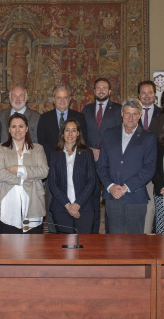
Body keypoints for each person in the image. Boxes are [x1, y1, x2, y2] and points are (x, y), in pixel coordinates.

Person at [98, 98, 156, 234]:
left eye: (135, 114)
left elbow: (149, 168)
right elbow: (102, 166)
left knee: (136, 242)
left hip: (136, 197)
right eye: (128, 113)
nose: (131, 117)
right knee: (115, 241)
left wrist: (126, 187)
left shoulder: (148, 137)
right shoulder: (108, 134)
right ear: (122, 113)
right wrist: (111, 186)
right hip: (112, 197)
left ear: (140, 115)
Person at [37, 85, 88, 233]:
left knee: (76, 196)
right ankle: (54, 233)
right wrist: (58, 160)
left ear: (70, 99)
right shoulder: (44, 118)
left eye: (65, 97)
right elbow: (42, 143)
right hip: (54, 167)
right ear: (53, 100)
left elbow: (84, 142)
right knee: (54, 201)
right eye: (59, 97)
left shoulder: (80, 117)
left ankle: (76, 230)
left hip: (76, 166)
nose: (62, 100)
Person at [0, 113, 49, 234]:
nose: (17, 130)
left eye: (21, 126)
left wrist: (19, 169)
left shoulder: (38, 149)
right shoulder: (1, 149)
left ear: (27, 128)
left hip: (33, 203)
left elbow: (44, 171)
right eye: (13, 126)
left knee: (33, 249)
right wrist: (23, 179)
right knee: (7, 249)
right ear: (9, 129)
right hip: (8, 204)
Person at [81, 78, 122, 233]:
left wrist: (104, 151)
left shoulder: (118, 109)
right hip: (91, 160)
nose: (101, 90)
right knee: (92, 199)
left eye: (104, 88)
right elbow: (82, 133)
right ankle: (93, 233)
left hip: (111, 161)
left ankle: (111, 233)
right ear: (94, 91)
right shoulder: (87, 109)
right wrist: (90, 149)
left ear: (110, 91)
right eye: (98, 88)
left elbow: (120, 134)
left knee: (111, 198)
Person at [48, 118, 96, 234]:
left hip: (84, 208)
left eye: (73, 130)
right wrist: (68, 206)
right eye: (67, 130)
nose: (70, 134)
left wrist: (77, 204)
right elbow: (53, 183)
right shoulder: (55, 154)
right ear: (62, 133)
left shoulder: (87, 153)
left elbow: (91, 181)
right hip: (61, 208)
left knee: (83, 246)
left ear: (78, 133)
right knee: (65, 248)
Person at [138, 80, 162, 234]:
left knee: (158, 208)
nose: (147, 96)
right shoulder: (131, 114)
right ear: (138, 95)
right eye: (143, 93)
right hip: (137, 170)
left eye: (150, 92)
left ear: (155, 94)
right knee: (143, 209)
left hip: (160, 169)